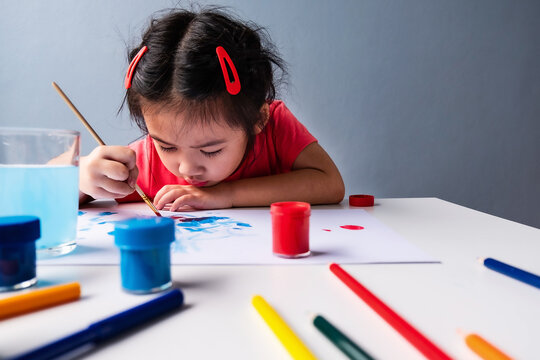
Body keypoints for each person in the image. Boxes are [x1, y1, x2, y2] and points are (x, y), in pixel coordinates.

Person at [79, 7, 345, 211]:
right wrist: (80, 180)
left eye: (211, 150)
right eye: (167, 147)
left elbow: (330, 184)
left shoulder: (275, 128)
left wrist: (226, 195)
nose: (186, 168)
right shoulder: (146, 162)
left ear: (258, 118)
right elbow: (41, 187)